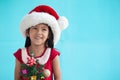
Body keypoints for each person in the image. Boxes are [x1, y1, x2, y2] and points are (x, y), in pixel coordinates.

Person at [13, 5, 68, 80]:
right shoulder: (20, 54)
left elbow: (58, 78)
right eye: (35, 28)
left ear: (49, 35)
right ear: (27, 33)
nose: (39, 32)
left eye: (44, 29)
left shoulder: (53, 54)